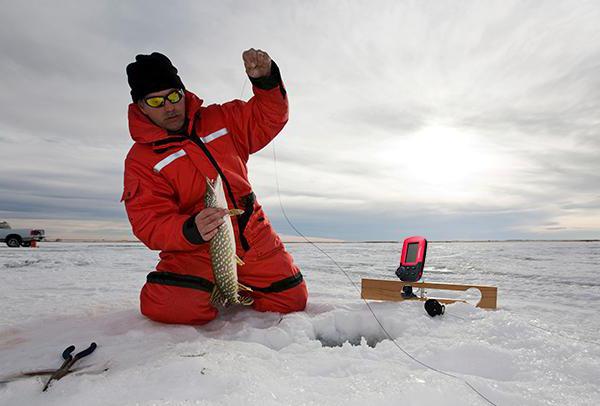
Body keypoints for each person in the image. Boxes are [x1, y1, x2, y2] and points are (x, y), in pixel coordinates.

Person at [122, 50, 308, 325]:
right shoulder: (141, 160)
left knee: (291, 300)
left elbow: (269, 117)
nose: (170, 107)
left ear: (184, 93)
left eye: (174, 96)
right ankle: (211, 288)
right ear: (141, 106)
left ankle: (236, 287)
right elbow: (149, 223)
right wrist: (190, 229)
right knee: (168, 305)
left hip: (252, 233)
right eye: (156, 101)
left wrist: (266, 81)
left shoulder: (222, 119)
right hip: (194, 249)